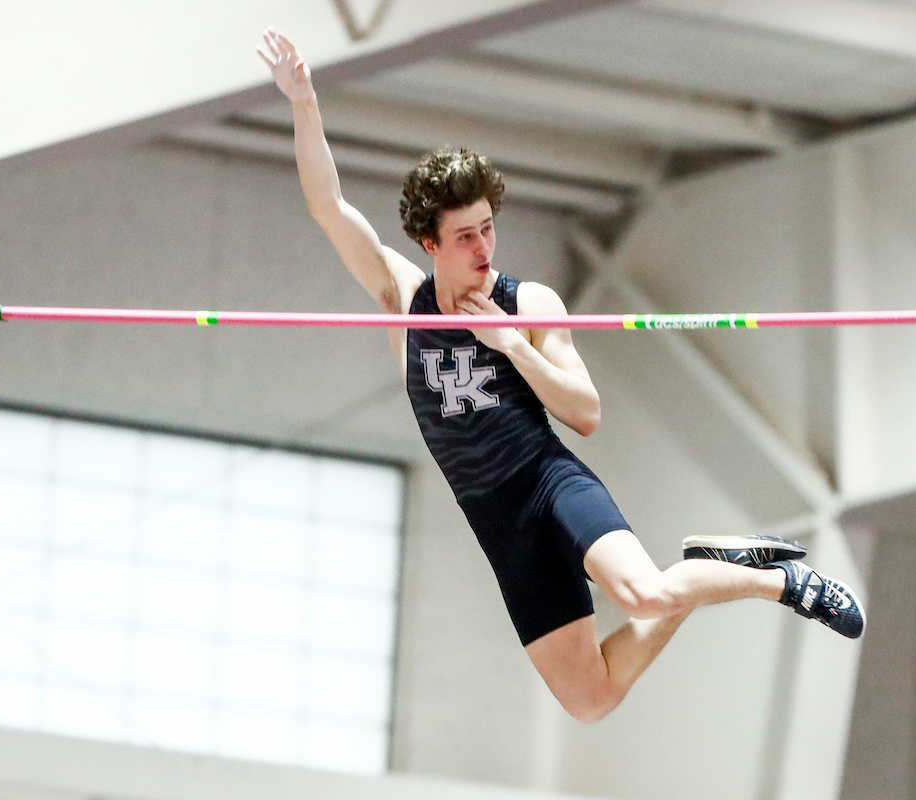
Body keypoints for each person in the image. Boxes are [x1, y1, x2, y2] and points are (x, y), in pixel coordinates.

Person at [256, 28, 864, 723]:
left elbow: (585, 412)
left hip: (549, 484)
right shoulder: (402, 299)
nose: (484, 246)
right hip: (495, 518)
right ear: (429, 244)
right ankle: (715, 562)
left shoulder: (530, 302)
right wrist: (304, 102)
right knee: (591, 697)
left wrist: (512, 344)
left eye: (489, 227)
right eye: (465, 236)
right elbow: (327, 208)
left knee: (644, 597)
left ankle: (777, 581)